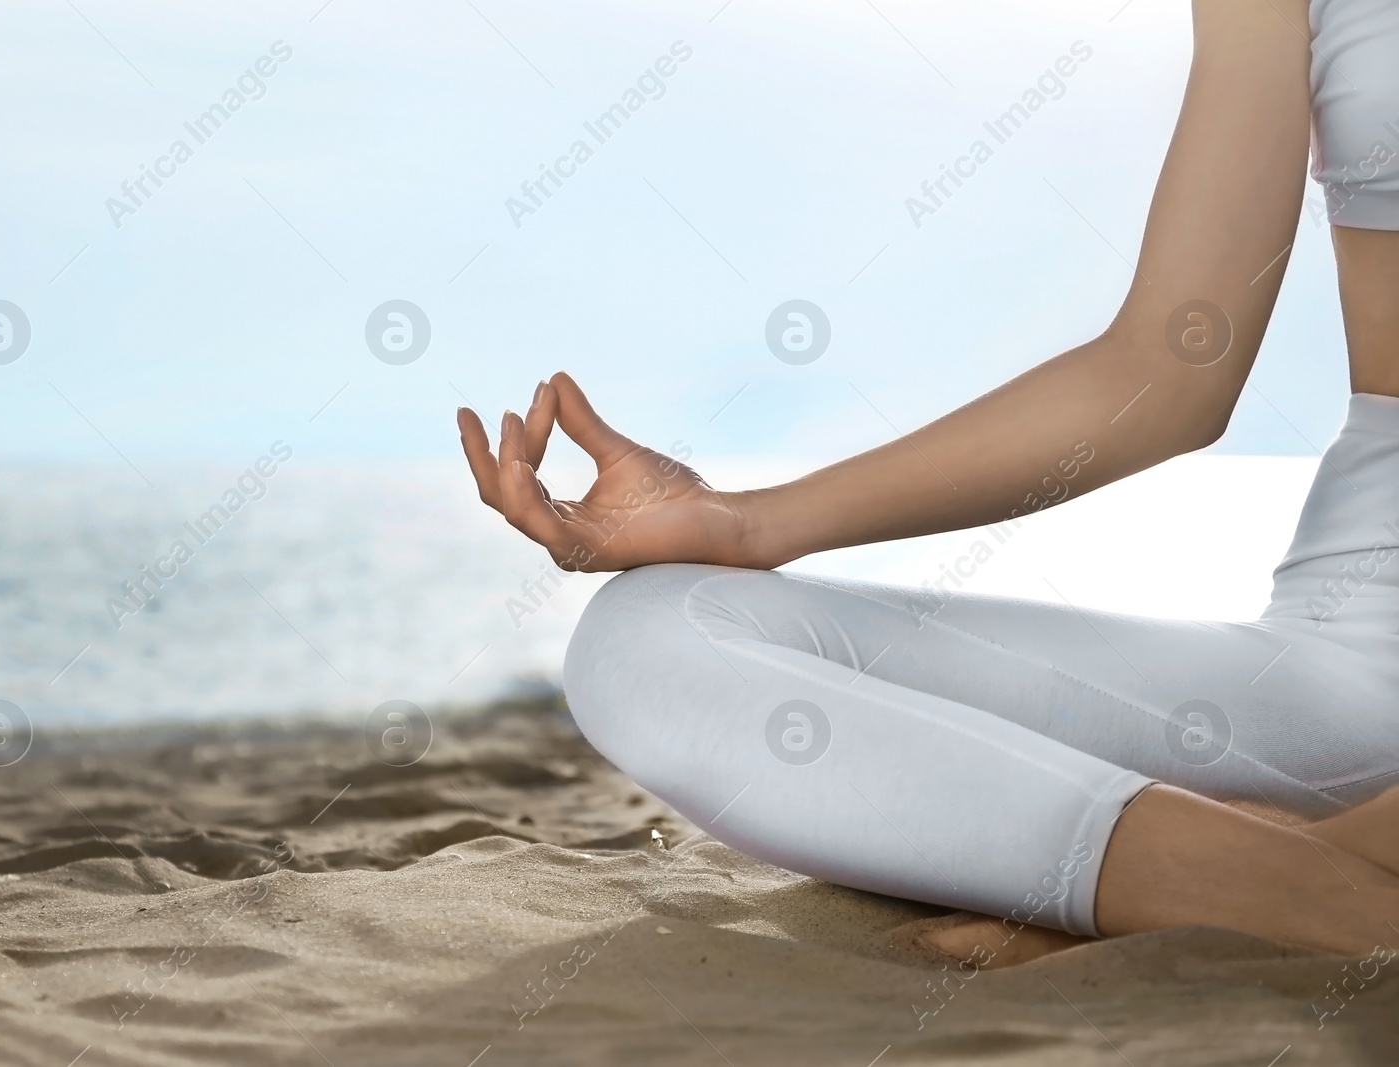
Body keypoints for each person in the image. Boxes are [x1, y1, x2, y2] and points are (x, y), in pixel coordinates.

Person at [456, 0, 1399, 959]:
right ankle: (1264, 886)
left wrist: (1319, 845)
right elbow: (1168, 374)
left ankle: (1252, 893)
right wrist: (745, 525)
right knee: (651, 637)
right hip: (1353, 653)